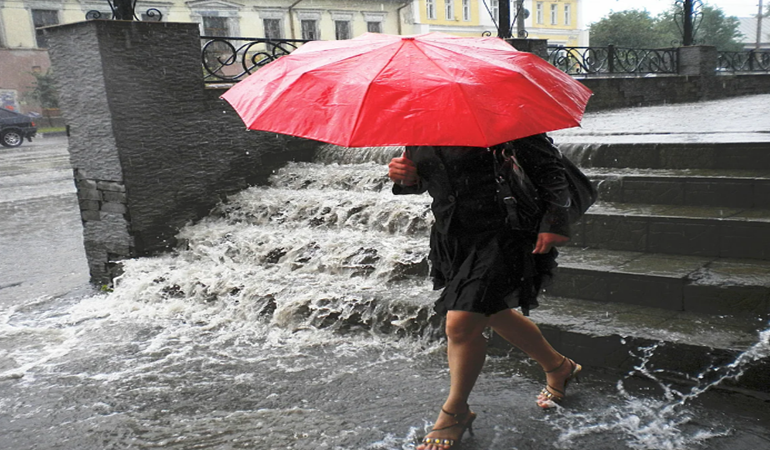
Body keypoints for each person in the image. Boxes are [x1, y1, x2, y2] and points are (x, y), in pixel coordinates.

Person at [387, 134, 582, 450]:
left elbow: (550, 171)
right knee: (492, 312)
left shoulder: (503, 118)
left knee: (461, 323)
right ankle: (559, 367)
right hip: (453, 237)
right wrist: (407, 177)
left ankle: (455, 411)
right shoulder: (420, 125)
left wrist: (554, 221)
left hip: (503, 233)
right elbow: (427, 178)